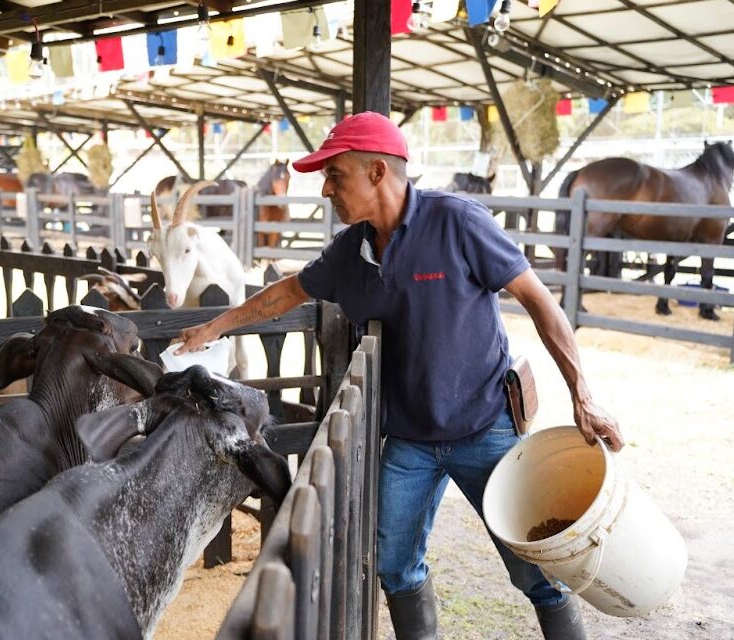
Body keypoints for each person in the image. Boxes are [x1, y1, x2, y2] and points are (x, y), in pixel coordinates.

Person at [176, 111, 623, 640]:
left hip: (485, 426)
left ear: (376, 173)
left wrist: (582, 393)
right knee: (393, 563)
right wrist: (216, 327)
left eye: (335, 176)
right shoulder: (351, 251)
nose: (325, 191)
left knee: (535, 568)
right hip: (409, 439)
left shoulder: (457, 221)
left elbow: (538, 300)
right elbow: (288, 291)